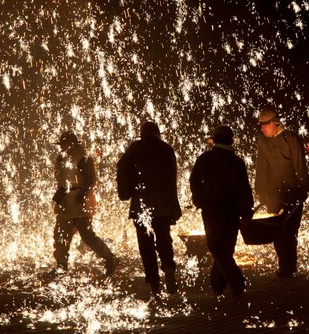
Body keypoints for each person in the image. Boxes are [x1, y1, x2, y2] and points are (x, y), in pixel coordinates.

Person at [116, 122, 182, 295]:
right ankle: (168, 267)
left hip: (141, 205)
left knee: (146, 244)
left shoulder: (136, 148)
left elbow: (121, 167)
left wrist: (125, 192)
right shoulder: (166, 149)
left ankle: (154, 283)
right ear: (157, 134)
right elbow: (172, 179)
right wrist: (174, 207)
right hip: (163, 205)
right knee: (163, 238)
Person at [190, 126, 254, 297]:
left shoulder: (204, 159)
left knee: (217, 248)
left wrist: (199, 199)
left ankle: (236, 282)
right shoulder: (237, 162)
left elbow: (194, 181)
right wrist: (247, 211)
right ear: (231, 140)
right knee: (225, 248)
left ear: (214, 140)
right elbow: (244, 189)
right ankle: (218, 284)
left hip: (211, 209)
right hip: (231, 208)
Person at [254, 107, 309, 279]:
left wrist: (302, 189)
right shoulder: (263, 141)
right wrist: (261, 191)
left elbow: (300, 166)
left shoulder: (291, 139)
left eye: (264, 125)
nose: (261, 129)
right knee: (278, 233)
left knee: (289, 231)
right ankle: (285, 266)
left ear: (274, 123)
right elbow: (261, 168)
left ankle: (289, 267)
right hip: (274, 196)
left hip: (293, 194)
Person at [52, 130, 118, 275]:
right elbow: (62, 180)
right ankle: (61, 264)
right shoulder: (61, 158)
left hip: (80, 203)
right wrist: (59, 196)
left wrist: (81, 196)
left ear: (72, 143)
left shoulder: (83, 157)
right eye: (61, 144)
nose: (62, 146)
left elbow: (90, 180)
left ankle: (109, 258)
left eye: (65, 143)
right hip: (66, 202)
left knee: (87, 235)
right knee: (61, 234)